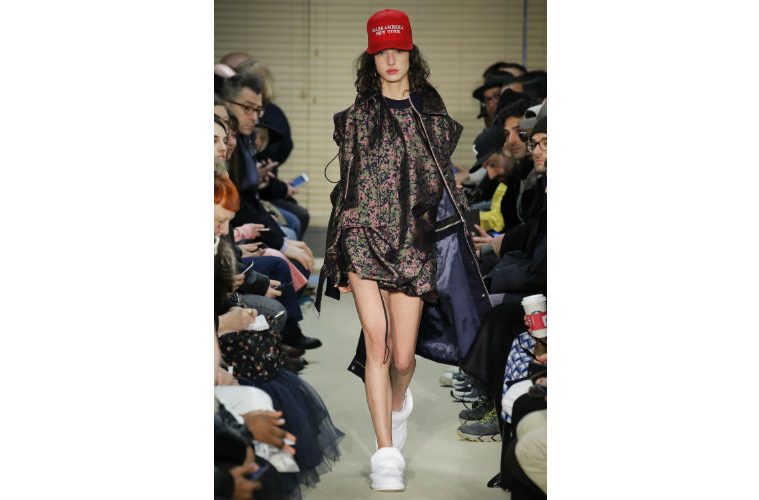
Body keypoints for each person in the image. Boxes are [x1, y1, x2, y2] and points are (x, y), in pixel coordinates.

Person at [316, 9, 490, 491]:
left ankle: (396, 406)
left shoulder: (431, 117)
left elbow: (441, 188)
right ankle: (385, 453)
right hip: (364, 238)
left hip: (413, 243)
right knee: (377, 340)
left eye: (398, 50)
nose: (390, 59)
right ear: (371, 58)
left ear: (411, 54)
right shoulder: (355, 119)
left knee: (403, 357)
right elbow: (347, 189)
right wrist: (339, 256)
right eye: (381, 52)